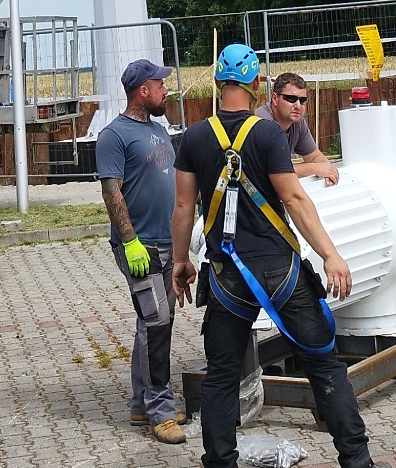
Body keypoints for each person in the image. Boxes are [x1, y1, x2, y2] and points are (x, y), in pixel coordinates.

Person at [172, 44, 373, 468]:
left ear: (215, 82)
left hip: (227, 277)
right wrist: (331, 255)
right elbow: (295, 199)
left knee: (223, 377)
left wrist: (180, 262)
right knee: (324, 366)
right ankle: (356, 461)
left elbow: (182, 208)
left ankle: (221, 462)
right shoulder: (266, 134)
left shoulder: (192, 136)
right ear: (258, 85)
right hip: (281, 271)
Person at [97, 57, 184, 443]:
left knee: (151, 325)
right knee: (157, 324)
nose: (166, 89)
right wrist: (130, 240)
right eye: (160, 84)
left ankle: (140, 403)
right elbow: (111, 191)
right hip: (140, 248)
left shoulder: (159, 130)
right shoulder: (113, 136)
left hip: (167, 245)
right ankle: (161, 412)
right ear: (143, 91)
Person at [257, 71, 339, 185]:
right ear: (274, 99)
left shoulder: (297, 122)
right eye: (291, 99)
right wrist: (314, 168)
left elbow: (315, 157)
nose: (298, 106)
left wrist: (329, 173)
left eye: (302, 100)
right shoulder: (262, 124)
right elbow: (271, 171)